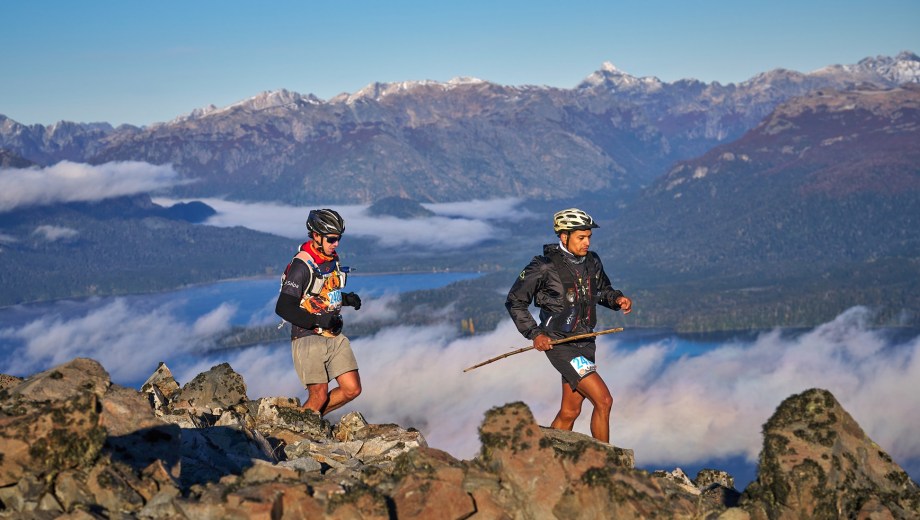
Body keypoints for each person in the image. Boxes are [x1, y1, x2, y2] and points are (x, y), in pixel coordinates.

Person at [505, 208, 632, 443]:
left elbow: (601, 291)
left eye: (589, 237)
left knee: (570, 411)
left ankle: (545, 457)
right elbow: (515, 301)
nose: (587, 242)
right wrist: (535, 334)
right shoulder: (543, 267)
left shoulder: (592, 261)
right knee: (604, 400)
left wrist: (616, 299)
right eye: (581, 237)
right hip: (560, 344)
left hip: (586, 341)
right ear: (563, 236)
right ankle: (606, 464)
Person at [275, 208, 364, 416]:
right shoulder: (301, 265)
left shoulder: (331, 259)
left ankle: (311, 419)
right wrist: (317, 320)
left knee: (352, 389)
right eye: (332, 239)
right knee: (319, 396)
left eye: (338, 239)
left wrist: (346, 299)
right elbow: (283, 307)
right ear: (316, 235)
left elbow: (320, 295)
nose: (336, 244)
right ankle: (295, 430)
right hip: (307, 336)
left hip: (332, 333)